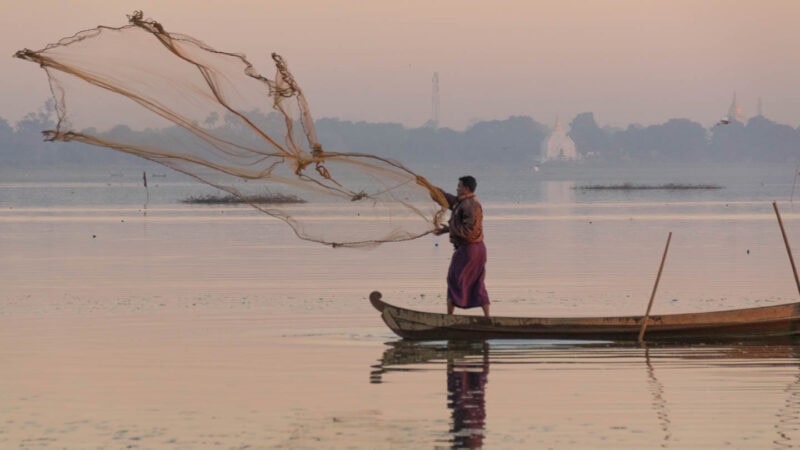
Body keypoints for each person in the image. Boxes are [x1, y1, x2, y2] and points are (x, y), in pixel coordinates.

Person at [434, 175, 490, 317]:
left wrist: (449, 229)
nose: (457, 188)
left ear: (466, 188)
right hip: (478, 249)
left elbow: (469, 231)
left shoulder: (470, 206)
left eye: (459, 186)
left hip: (469, 249)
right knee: (478, 281)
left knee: (453, 278)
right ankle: (487, 318)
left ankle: (449, 317)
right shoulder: (463, 202)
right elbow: (448, 200)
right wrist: (430, 188)